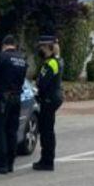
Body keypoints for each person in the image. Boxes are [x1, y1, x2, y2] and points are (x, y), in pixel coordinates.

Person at [0, 35, 29, 174]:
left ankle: (1, 164)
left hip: (3, 99)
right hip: (17, 98)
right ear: (14, 44)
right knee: (12, 131)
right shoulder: (22, 59)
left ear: (4, 45)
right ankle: (10, 163)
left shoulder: (2, 57)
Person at [33, 35, 63, 171]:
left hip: (48, 99)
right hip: (54, 97)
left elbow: (42, 82)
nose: (40, 49)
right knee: (49, 130)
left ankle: (47, 161)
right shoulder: (58, 60)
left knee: (46, 131)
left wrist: (37, 86)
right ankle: (47, 159)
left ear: (49, 47)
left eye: (42, 47)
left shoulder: (50, 63)